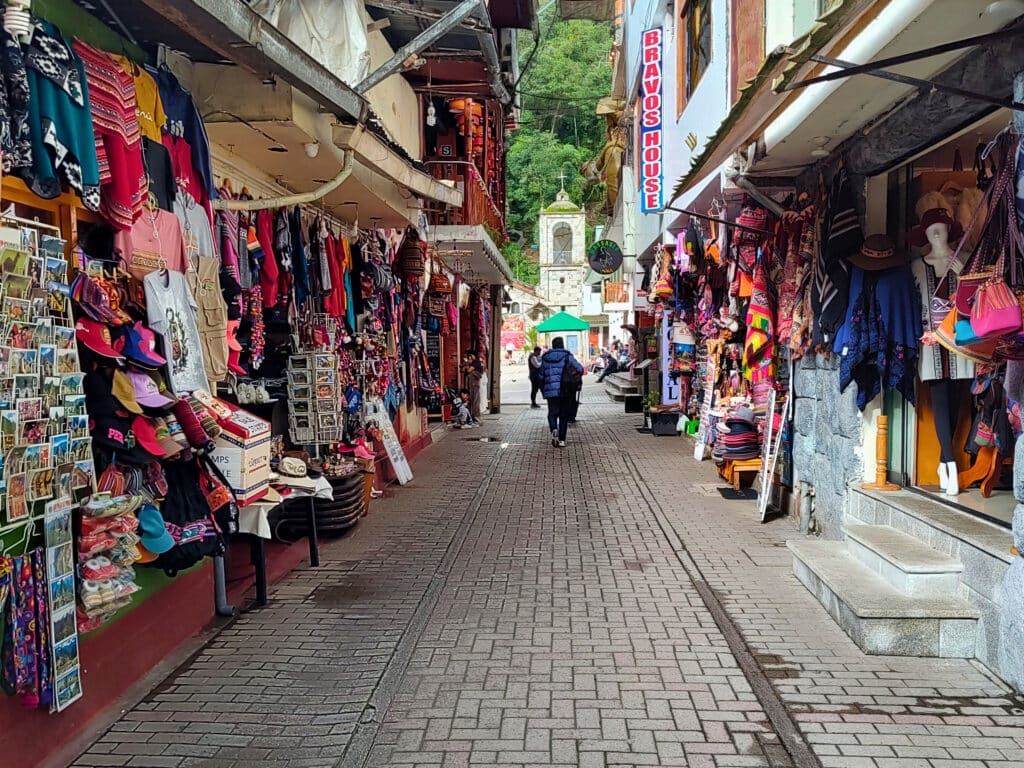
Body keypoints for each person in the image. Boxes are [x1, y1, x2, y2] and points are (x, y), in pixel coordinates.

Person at [540, 336, 584, 448]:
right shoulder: (567, 356)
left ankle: (554, 429)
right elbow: (580, 369)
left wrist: (543, 389)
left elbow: (541, 376)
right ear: (562, 344)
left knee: (552, 413)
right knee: (563, 415)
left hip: (551, 391)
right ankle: (562, 440)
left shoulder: (545, 357)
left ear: (553, 345)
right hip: (565, 390)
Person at [462, 352, 483, 419]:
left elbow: (469, 370)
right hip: (470, 384)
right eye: (469, 356)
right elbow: (463, 370)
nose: (470, 357)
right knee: (471, 398)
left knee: (475, 398)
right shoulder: (472, 363)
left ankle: (475, 414)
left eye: (470, 356)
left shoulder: (476, 362)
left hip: (474, 384)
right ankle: (472, 413)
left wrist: (467, 364)